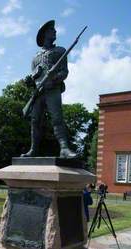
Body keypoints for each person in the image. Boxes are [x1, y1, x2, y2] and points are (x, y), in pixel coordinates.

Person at [21, 20, 76, 158]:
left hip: (53, 90)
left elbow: (65, 72)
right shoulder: (35, 58)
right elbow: (34, 77)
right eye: (52, 30)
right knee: (35, 121)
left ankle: (64, 148)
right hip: (39, 92)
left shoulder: (60, 51)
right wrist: (31, 81)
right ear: (45, 34)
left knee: (57, 118)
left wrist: (54, 77)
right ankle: (33, 150)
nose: (55, 32)